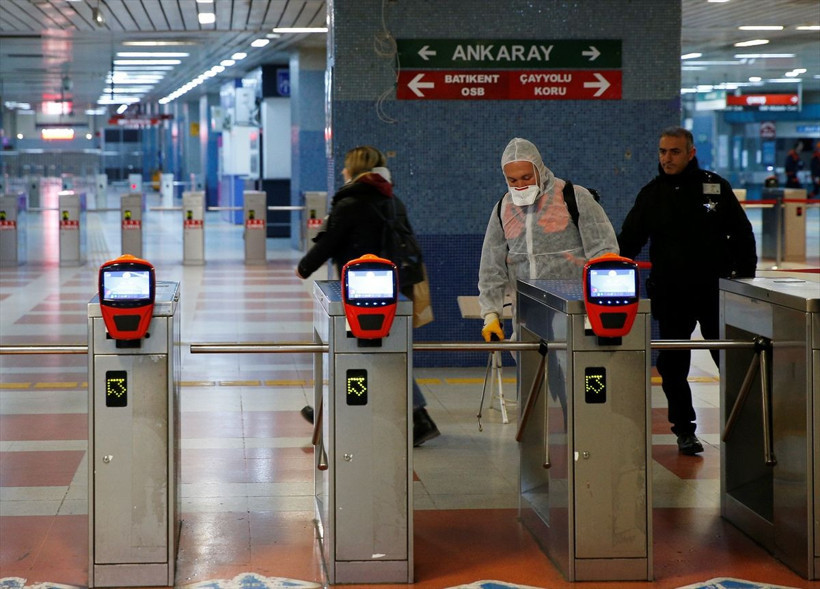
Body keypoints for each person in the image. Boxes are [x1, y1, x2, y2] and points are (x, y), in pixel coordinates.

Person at [618, 126, 757, 456]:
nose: (667, 158)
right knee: (673, 365)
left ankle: (748, 424)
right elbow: (629, 241)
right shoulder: (652, 194)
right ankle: (684, 430)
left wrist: (745, 281)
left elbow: (742, 234)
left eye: (674, 152)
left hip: (714, 292)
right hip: (671, 294)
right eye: (663, 152)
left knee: (728, 358)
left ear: (690, 153)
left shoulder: (715, 188)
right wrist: (605, 265)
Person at [295, 145, 440, 447]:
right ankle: (416, 418)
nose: (343, 172)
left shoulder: (350, 201)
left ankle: (416, 417)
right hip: (396, 286)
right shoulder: (391, 198)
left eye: (346, 167)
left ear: (354, 169)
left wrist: (304, 267)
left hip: (361, 288)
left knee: (354, 346)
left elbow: (329, 241)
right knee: (385, 351)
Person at [478, 137, 619, 341]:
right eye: (513, 180)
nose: (521, 185)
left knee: (572, 369)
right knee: (532, 371)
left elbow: (605, 253)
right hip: (527, 317)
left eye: (527, 177)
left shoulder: (575, 198)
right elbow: (492, 266)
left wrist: (602, 310)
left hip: (576, 312)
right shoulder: (504, 209)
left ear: (540, 170)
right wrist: (491, 314)